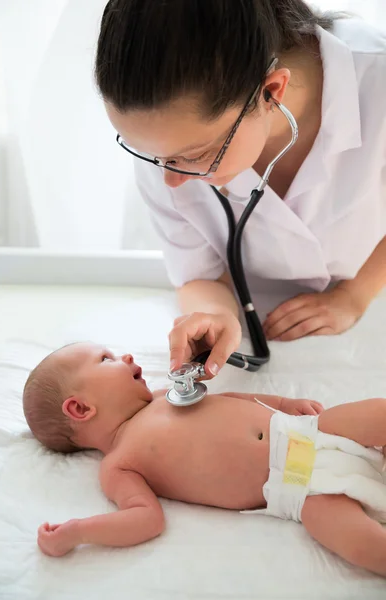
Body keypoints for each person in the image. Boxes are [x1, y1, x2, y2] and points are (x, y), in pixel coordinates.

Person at [94, 0, 386, 378]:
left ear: (272, 91)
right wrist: (214, 316)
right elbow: (198, 272)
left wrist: (354, 296)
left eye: (199, 154)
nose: (171, 178)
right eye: (152, 156)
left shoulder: (378, 84)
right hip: (260, 310)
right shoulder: (166, 141)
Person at [23, 342, 386, 576]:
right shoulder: (118, 465)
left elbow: (230, 399)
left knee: (378, 415)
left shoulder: (166, 395)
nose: (127, 356)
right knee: (360, 544)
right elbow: (144, 519)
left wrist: (283, 405)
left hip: (311, 430)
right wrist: (79, 532)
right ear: (81, 408)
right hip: (300, 491)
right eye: (106, 359)